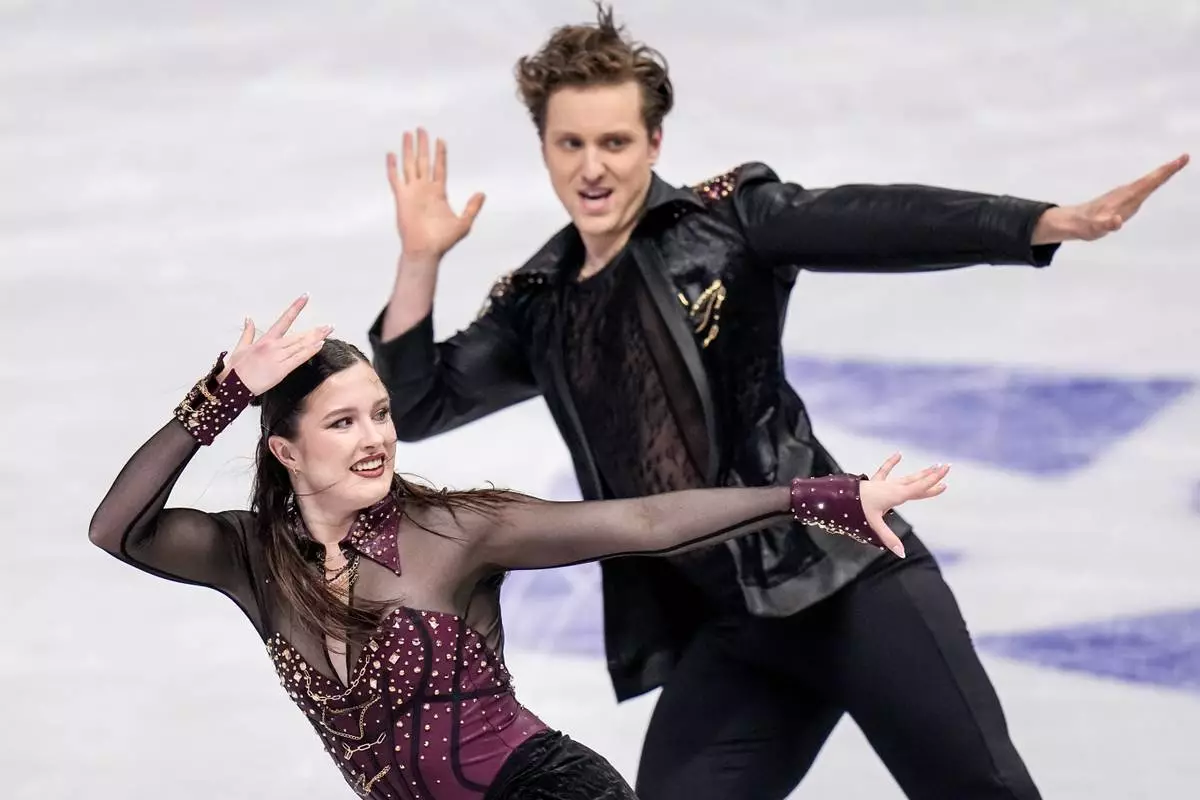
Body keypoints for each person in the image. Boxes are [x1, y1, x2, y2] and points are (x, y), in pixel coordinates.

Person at [365, 4, 1189, 799]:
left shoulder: (725, 225)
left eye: (615, 142)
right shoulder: (541, 302)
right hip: (733, 632)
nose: (592, 168)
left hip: (850, 581)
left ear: (654, 142)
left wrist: (1039, 224)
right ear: (543, 147)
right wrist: (419, 261)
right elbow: (419, 404)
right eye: (569, 142)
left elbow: (872, 221)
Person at [87, 293, 948, 800]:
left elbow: (643, 523)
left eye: (381, 413)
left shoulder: (455, 532)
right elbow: (116, 529)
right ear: (285, 450)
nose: (374, 437)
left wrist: (822, 497)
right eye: (343, 422)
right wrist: (226, 391)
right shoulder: (252, 560)